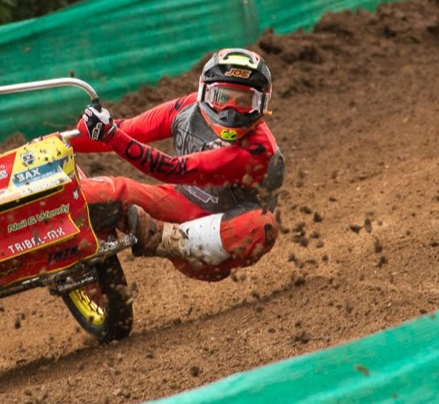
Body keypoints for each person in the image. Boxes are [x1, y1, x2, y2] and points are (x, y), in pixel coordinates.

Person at [71, 47, 284, 282]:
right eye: (221, 97)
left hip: (217, 248)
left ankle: (164, 238)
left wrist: (109, 134)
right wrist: (64, 139)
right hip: (179, 203)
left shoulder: (258, 149)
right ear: (205, 92)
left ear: (262, 104)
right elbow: (129, 129)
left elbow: (173, 169)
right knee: (92, 192)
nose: (230, 111)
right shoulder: (188, 108)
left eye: (244, 101)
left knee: (261, 225)